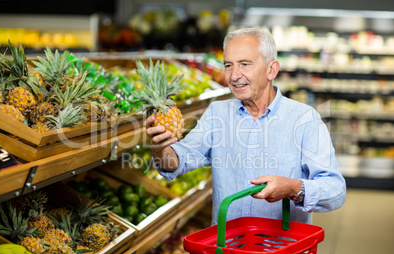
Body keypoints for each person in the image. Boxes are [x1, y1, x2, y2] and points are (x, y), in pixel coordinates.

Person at [144, 27, 346, 225]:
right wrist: (159, 149)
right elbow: (178, 162)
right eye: (228, 65)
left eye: (244, 64)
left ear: (271, 69)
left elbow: (335, 191)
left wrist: (294, 188)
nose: (233, 76)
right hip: (227, 249)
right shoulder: (217, 114)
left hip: (280, 251)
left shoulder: (304, 119)